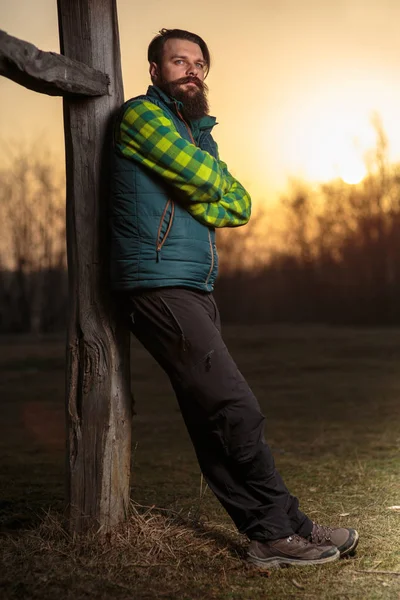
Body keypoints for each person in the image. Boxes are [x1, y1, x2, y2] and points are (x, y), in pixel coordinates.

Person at [109, 28, 359, 569]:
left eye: (199, 63)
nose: (191, 71)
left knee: (213, 417)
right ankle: (273, 533)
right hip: (158, 284)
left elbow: (238, 203)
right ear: (155, 70)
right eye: (179, 61)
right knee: (235, 408)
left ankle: (285, 525)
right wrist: (206, 184)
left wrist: (206, 186)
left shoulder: (198, 134)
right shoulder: (141, 117)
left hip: (193, 285)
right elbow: (206, 181)